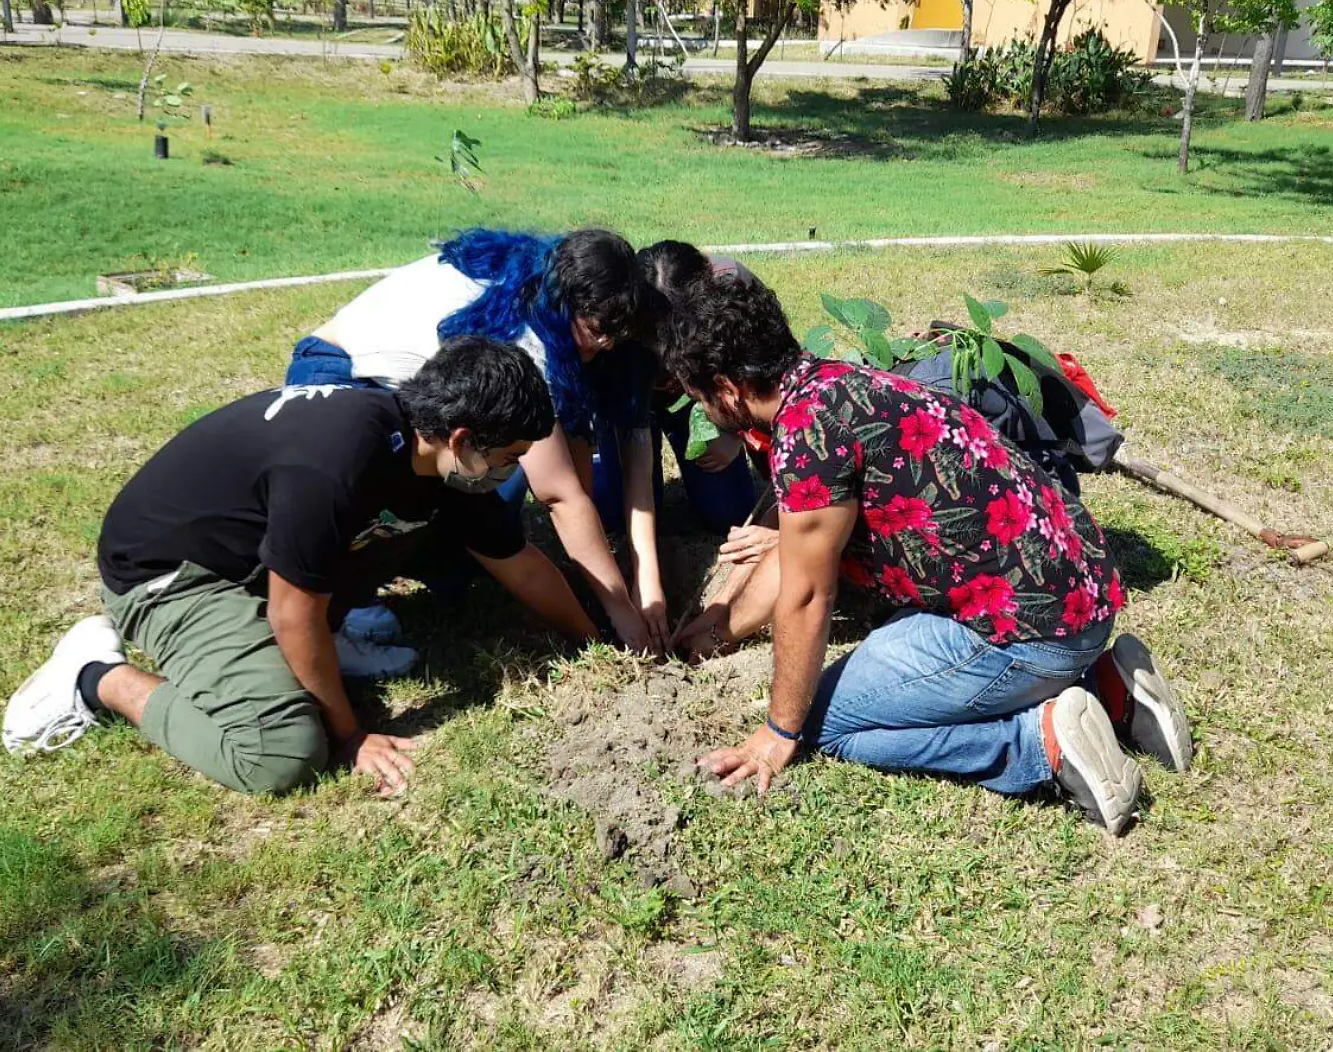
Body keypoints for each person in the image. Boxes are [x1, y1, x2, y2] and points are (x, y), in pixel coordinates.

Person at [663, 276, 1194, 835]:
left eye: (699, 397)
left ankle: (1041, 745)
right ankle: (1111, 691)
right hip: (1083, 594)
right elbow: (796, 560)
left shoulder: (808, 435)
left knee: (821, 721)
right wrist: (715, 632)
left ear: (726, 389)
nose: (704, 407)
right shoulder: (842, 382)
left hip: (1031, 632)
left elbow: (807, 594)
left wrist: (778, 732)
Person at [3, 340, 599, 796]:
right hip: (170, 573)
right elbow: (294, 610)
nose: (510, 470)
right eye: (507, 458)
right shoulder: (339, 460)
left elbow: (517, 561)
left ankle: (317, 650)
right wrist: (351, 735)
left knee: (411, 530)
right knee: (280, 752)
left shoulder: (426, 454)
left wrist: (598, 643)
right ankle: (95, 676)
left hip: (256, 563)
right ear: (463, 437)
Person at [284, 229, 673, 655]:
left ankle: (445, 564)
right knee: (388, 504)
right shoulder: (527, 338)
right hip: (342, 379)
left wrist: (603, 573)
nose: (604, 346)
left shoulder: (544, 282)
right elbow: (558, 494)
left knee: (481, 502)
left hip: (409, 394)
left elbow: (572, 460)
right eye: (596, 331)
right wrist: (619, 609)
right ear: (568, 302)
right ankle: (346, 611)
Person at [593, 240, 761, 536]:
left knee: (730, 515)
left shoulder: (733, 284)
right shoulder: (614, 304)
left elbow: (761, 365)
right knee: (617, 516)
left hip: (700, 405)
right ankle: (597, 460)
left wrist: (735, 433)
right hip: (631, 399)